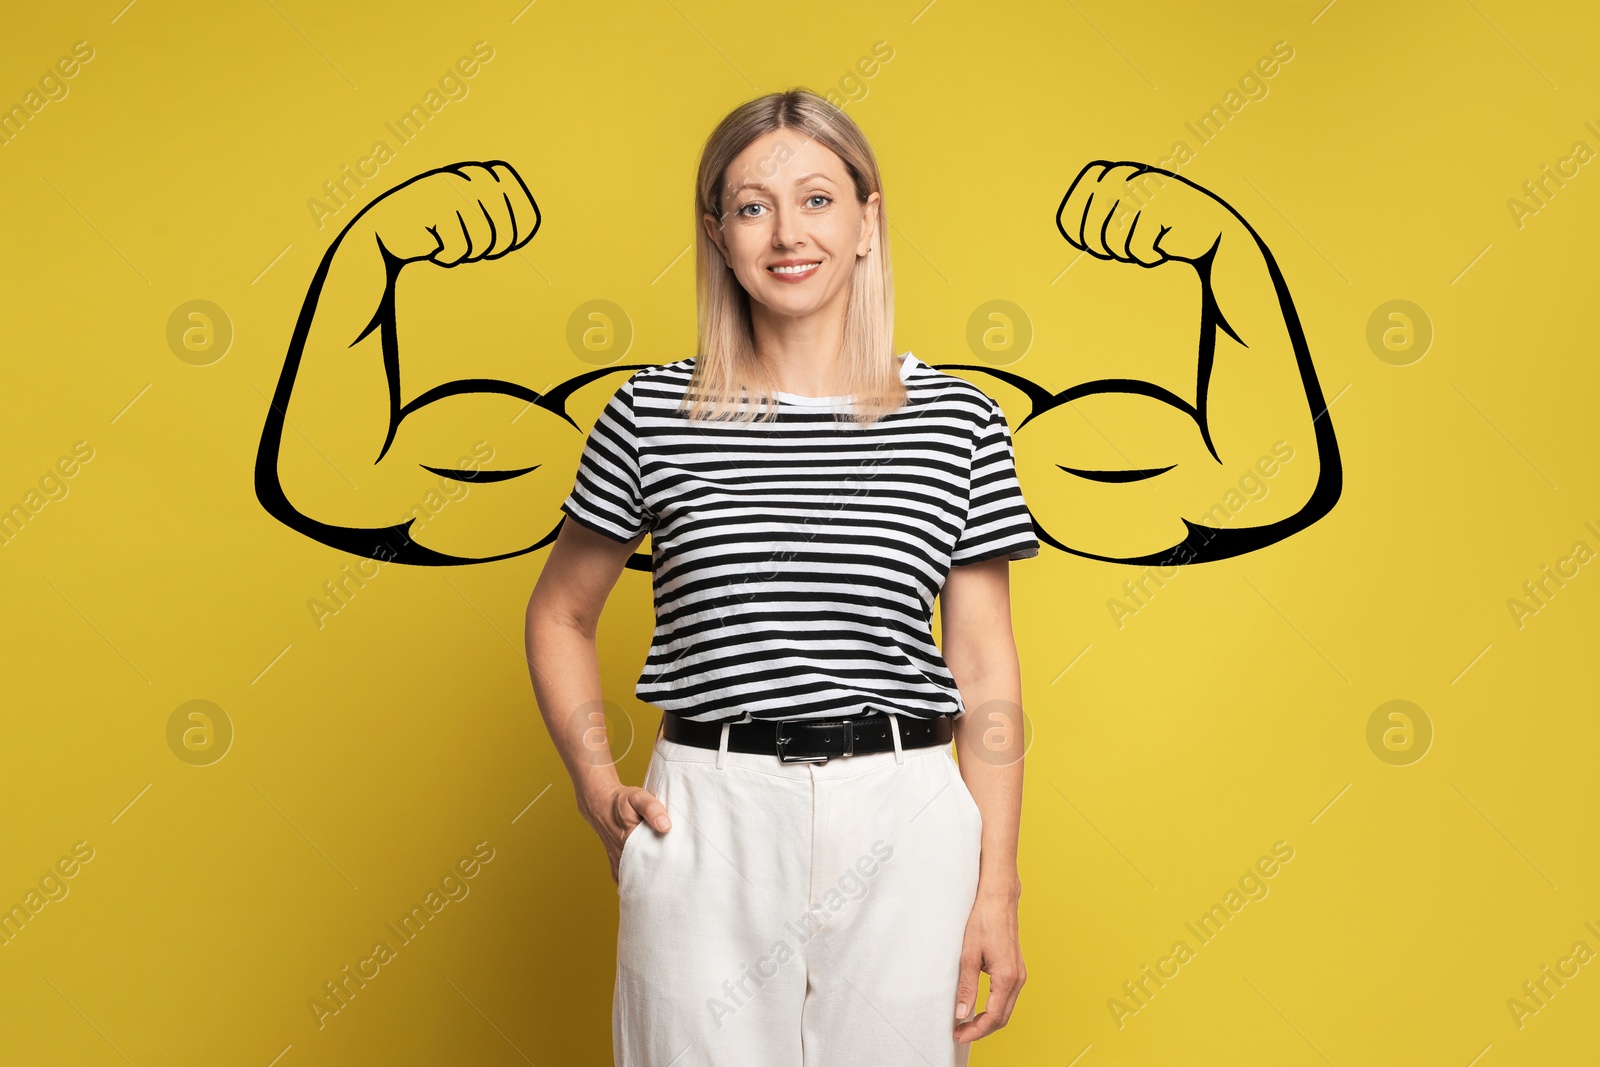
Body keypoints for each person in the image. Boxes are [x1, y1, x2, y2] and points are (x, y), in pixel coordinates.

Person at [524, 88, 1037, 1066]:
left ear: (864, 221)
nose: (786, 233)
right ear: (718, 236)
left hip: (905, 807)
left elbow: (983, 661)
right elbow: (560, 613)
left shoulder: (957, 419)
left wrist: (995, 881)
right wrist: (597, 787)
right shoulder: (648, 414)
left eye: (815, 199)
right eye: (753, 206)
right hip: (707, 809)